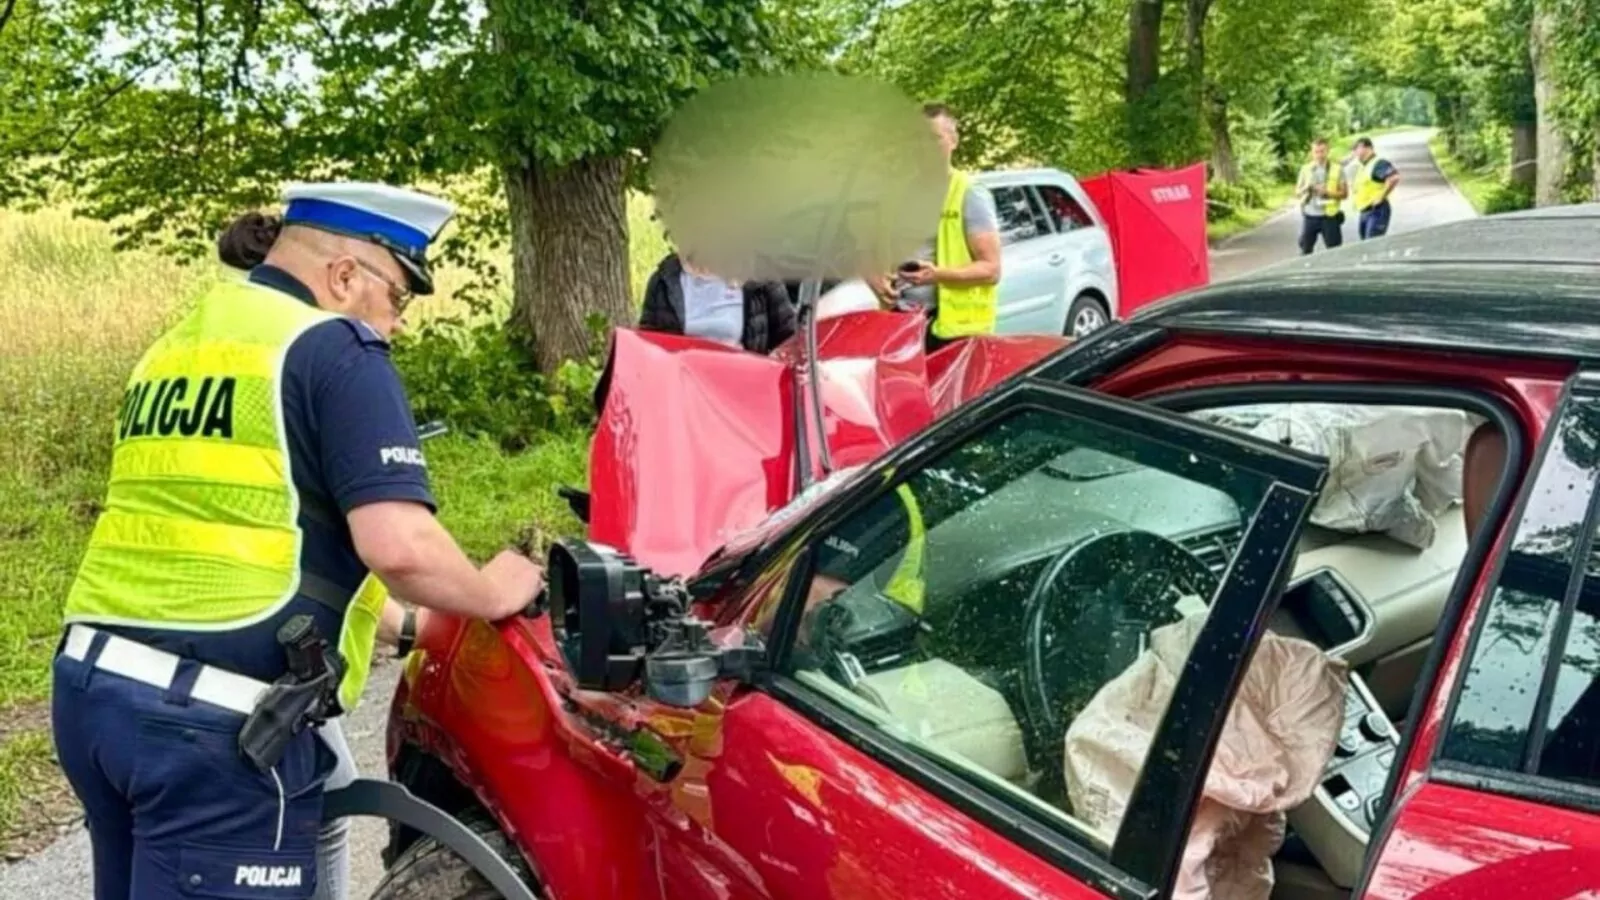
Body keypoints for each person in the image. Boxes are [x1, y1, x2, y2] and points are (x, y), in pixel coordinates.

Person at [50, 181, 546, 900]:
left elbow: (241, 543)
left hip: (96, 697)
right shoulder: (334, 347)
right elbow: (398, 544)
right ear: (345, 275)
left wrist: (407, 627)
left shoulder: (180, 345)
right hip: (212, 735)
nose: (396, 326)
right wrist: (495, 587)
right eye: (398, 299)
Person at [870, 103, 1002, 353]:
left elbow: (992, 270)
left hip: (954, 332)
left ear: (953, 141)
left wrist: (938, 274)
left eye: (933, 138)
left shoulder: (969, 193)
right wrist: (874, 276)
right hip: (900, 322)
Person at [638, 246, 797, 353]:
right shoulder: (664, 280)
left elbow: (790, 341)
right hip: (685, 391)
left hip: (745, 389)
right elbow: (648, 350)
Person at [1295, 138, 1347, 254]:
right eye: (1316, 152)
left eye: (1322, 151)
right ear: (1312, 152)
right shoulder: (1305, 169)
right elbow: (1298, 192)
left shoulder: (1337, 169)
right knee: (1305, 250)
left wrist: (1327, 193)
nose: (1319, 155)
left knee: (1335, 251)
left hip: (1329, 216)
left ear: (1328, 151)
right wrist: (1307, 188)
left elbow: (1344, 194)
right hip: (1310, 215)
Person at [1351, 137, 1401, 240]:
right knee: (1365, 244)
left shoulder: (1378, 163)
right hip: (1365, 211)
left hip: (1376, 211)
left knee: (1372, 244)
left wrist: (1381, 196)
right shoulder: (1363, 166)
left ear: (1367, 148)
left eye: (1357, 148)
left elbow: (1394, 177)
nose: (1355, 152)